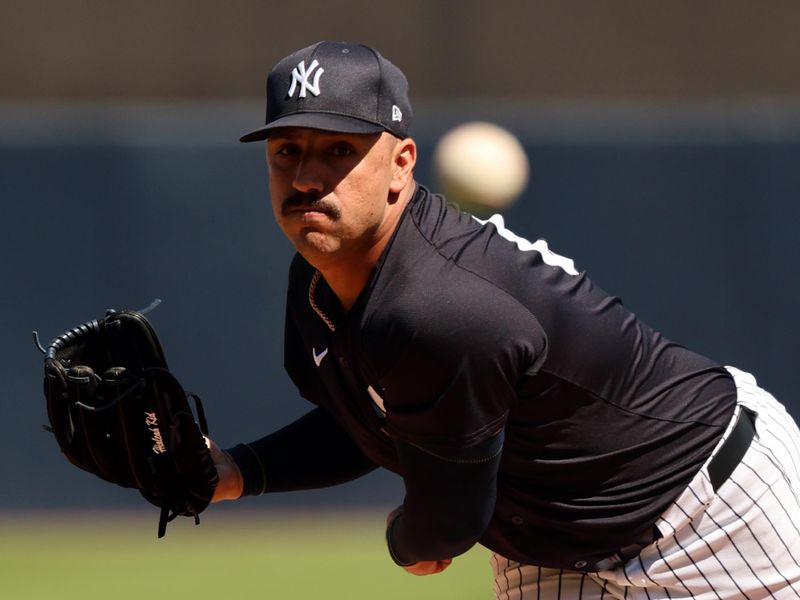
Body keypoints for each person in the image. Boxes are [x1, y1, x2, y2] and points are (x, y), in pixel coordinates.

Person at [208, 40, 800, 598]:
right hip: (550, 541)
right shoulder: (318, 278)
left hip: (712, 511)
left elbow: (445, 525)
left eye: (339, 150)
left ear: (401, 165)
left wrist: (407, 535)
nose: (306, 177)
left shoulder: (438, 307)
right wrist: (236, 470)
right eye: (288, 151)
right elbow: (374, 418)